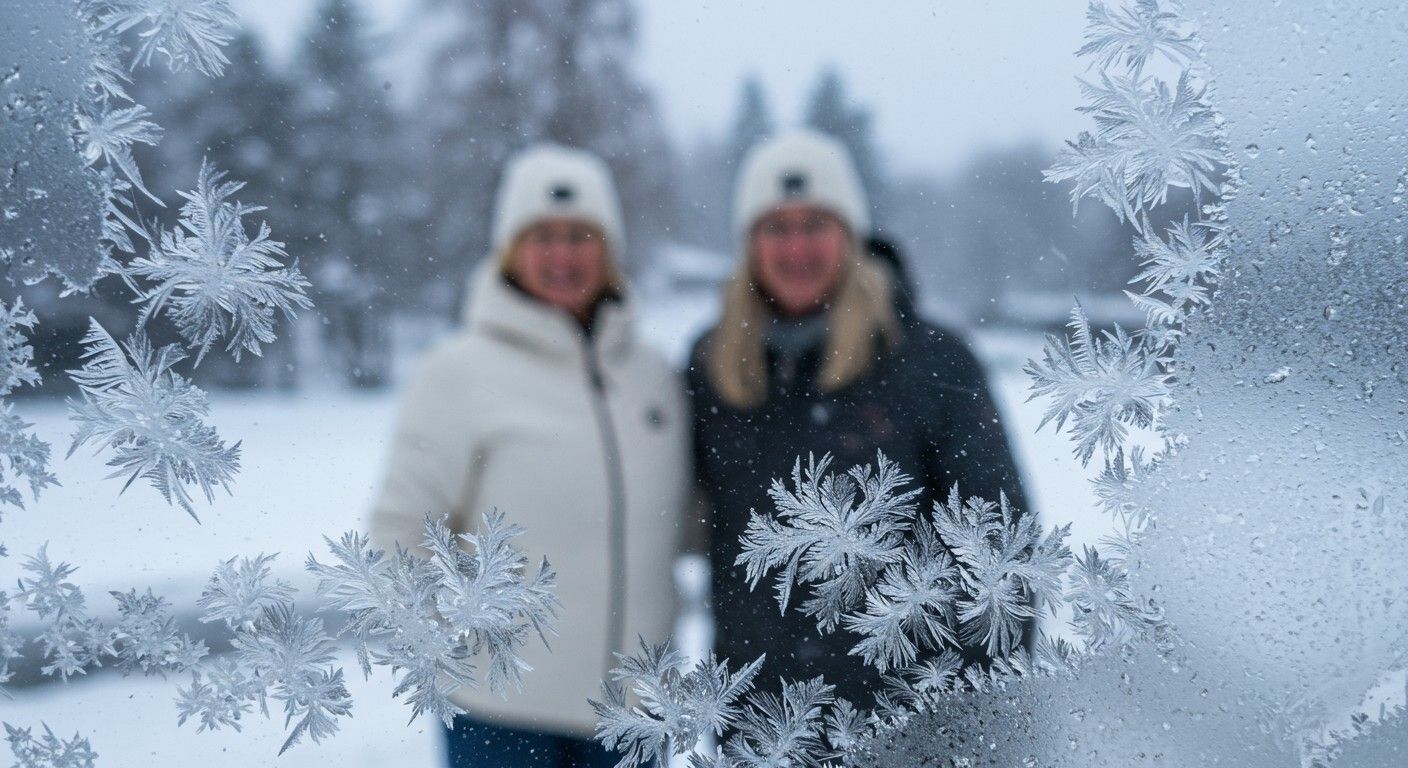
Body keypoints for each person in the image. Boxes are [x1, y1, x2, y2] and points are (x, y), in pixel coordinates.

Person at [370, 143, 689, 767]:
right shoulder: (458, 372)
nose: (563, 254)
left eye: (581, 235)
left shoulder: (652, 376)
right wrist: (449, 652)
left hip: (634, 718)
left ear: (611, 249)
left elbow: (685, 522)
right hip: (503, 723)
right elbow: (399, 532)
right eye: (541, 235)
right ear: (509, 250)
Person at [686, 130, 1030, 704]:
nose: (797, 249)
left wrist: (983, 718)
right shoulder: (713, 368)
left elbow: (1002, 553)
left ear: (851, 236)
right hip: (760, 723)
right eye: (776, 228)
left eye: (816, 225)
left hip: (908, 724)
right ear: (749, 243)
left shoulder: (933, 363)